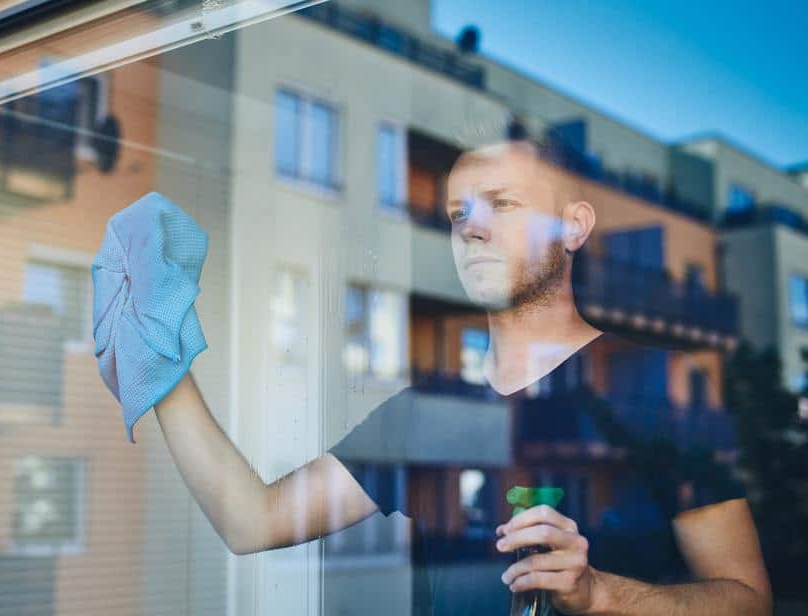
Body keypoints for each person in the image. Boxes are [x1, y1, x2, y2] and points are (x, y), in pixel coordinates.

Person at [152, 138, 771, 615]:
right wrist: (159, 362)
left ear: (574, 227)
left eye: (502, 204)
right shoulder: (425, 414)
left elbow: (749, 601)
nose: (471, 227)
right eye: (458, 213)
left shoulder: (661, 385)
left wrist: (600, 594)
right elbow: (253, 521)